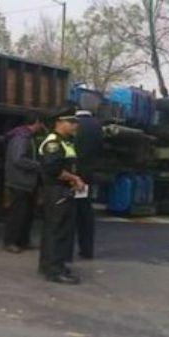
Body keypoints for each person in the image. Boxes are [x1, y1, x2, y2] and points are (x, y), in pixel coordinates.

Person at [38, 106, 85, 284]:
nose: (75, 125)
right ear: (59, 123)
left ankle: (50, 264)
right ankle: (54, 270)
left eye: (75, 122)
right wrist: (75, 178)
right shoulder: (53, 144)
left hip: (61, 190)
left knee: (57, 229)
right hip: (57, 190)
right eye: (71, 122)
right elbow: (53, 170)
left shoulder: (65, 141)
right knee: (57, 230)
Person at [3, 112, 44, 253]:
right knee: (18, 214)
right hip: (20, 181)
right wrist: (38, 165)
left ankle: (23, 241)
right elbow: (18, 159)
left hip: (27, 181)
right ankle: (10, 242)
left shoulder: (28, 137)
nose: (42, 126)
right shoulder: (21, 138)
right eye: (41, 123)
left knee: (27, 214)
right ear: (36, 122)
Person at [72, 110, 103, 259]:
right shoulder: (97, 126)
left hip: (73, 174)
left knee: (69, 211)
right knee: (85, 211)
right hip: (88, 174)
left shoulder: (74, 124)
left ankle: (66, 250)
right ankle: (87, 249)